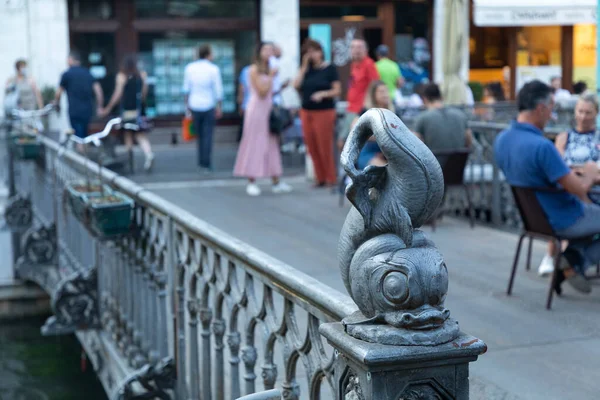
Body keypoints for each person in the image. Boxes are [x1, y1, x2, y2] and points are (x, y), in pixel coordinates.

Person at [495, 80, 600, 295]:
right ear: (541, 109)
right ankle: (574, 261)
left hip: (532, 218)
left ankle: (569, 262)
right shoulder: (542, 147)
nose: (552, 115)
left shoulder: (501, 140)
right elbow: (577, 189)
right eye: (551, 109)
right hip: (563, 218)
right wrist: (589, 175)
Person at [537, 93, 600, 276]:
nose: (583, 116)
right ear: (574, 112)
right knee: (566, 203)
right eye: (580, 111)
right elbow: (557, 166)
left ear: (596, 113)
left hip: (593, 190)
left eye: (588, 112)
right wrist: (586, 172)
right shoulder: (564, 137)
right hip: (569, 190)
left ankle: (569, 259)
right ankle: (566, 260)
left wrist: (586, 175)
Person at [233, 42, 292, 196]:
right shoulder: (253, 70)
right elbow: (261, 92)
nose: (269, 52)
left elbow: (271, 91)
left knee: (272, 144)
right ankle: (251, 181)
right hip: (256, 110)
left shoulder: (270, 69)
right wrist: (272, 76)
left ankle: (276, 180)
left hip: (268, 108)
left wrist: (281, 84)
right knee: (254, 143)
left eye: (270, 50)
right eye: (265, 49)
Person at [294, 38, 341, 187]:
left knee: (324, 144)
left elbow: (337, 90)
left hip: (324, 111)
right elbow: (296, 85)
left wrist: (323, 94)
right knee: (311, 145)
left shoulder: (329, 68)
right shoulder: (306, 70)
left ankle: (330, 177)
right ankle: (319, 177)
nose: (311, 55)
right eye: (308, 52)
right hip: (307, 111)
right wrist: (303, 66)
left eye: (314, 51)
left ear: (321, 52)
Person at [100, 54, 154, 171]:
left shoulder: (121, 76)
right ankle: (148, 153)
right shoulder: (142, 75)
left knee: (128, 134)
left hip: (126, 110)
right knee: (140, 134)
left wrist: (108, 108)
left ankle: (130, 161)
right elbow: (144, 92)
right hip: (139, 110)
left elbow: (118, 94)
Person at [183, 44, 223, 172]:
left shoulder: (190, 68)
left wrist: (187, 107)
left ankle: (201, 162)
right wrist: (219, 107)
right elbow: (218, 90)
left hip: (194, 104)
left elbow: (186, 89)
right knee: (208, 135)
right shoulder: (213, 69)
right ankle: (207, 163)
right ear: (208, 54)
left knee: (199, 135)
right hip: (209, 105)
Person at [339, 39, 379, 149]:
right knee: (347, 142)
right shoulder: (354, 64)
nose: (356, 50)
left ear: (366, 50)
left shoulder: (368, 63)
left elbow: (375, 85)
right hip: (351, 107)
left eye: (359, 47)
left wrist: (367, 106)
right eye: (353, 47)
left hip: (360, 109)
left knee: (346, 142)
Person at [54, 51, 104, 140]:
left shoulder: (67, 74)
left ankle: (80, 151)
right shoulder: (88, 73)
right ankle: (84, 151)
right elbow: (98, 91)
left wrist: (57, 105)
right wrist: (99, 106)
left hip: (74, 110)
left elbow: (58, 93)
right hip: (87, 110)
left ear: (70, 60)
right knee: (85, 135)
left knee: (77, 136)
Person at [413, 83, 472, 152]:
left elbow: (415, 145)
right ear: (441, 97)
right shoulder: (460, 115)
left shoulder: (422, 118)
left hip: (434, 160)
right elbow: (469, 141)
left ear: (424, 99)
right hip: (458, 160)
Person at [351, 80, 395, 169]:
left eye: (387, 91)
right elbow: (354, 130)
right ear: (373, 95)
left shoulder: (393, 111)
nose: (386, 94)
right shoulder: (366, 111)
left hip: (390, 153)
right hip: (369, 151)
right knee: (383, 170)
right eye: (382, 92)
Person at [237, 64, 251, 142]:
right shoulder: (247, 71)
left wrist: (241, 105)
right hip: (249, 105)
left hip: (247, 105)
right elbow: (241, 89)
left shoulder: (246, 70)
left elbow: (241, 89)